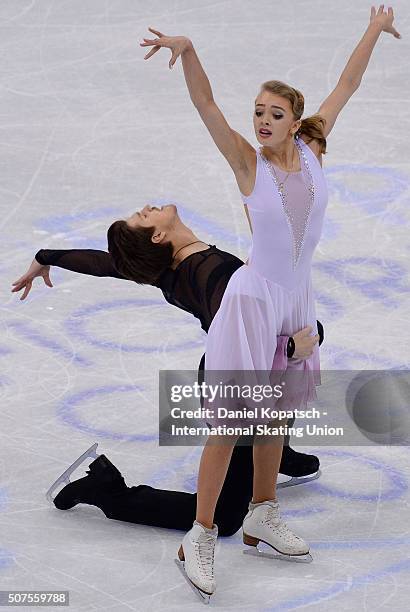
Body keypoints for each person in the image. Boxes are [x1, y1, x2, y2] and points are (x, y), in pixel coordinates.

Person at [140, 4, 401, 598]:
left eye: (273, 114)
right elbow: (206, 106)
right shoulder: (248, 165)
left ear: (295, 121)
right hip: (252, 303)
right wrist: (190, 51)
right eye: (258, 111)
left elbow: (347, 83)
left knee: (279, 412)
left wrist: (371, 30)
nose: (261, 121)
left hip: (295, 300)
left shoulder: (313, 147)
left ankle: (261, 512)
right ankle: (199, 534)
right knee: (231, 420)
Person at [11, 205, 323, 537]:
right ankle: (107, 490)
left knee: (289, 376)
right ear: (159, 236)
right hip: (237, 375)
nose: (145, 209)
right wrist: (287, 349)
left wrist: (46, 256)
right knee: (226, 517)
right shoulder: (209, 271)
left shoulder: (165, 267)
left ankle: (279, 455)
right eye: (143, 218)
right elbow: (238, 336)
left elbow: (106, 264)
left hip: (235, 369)